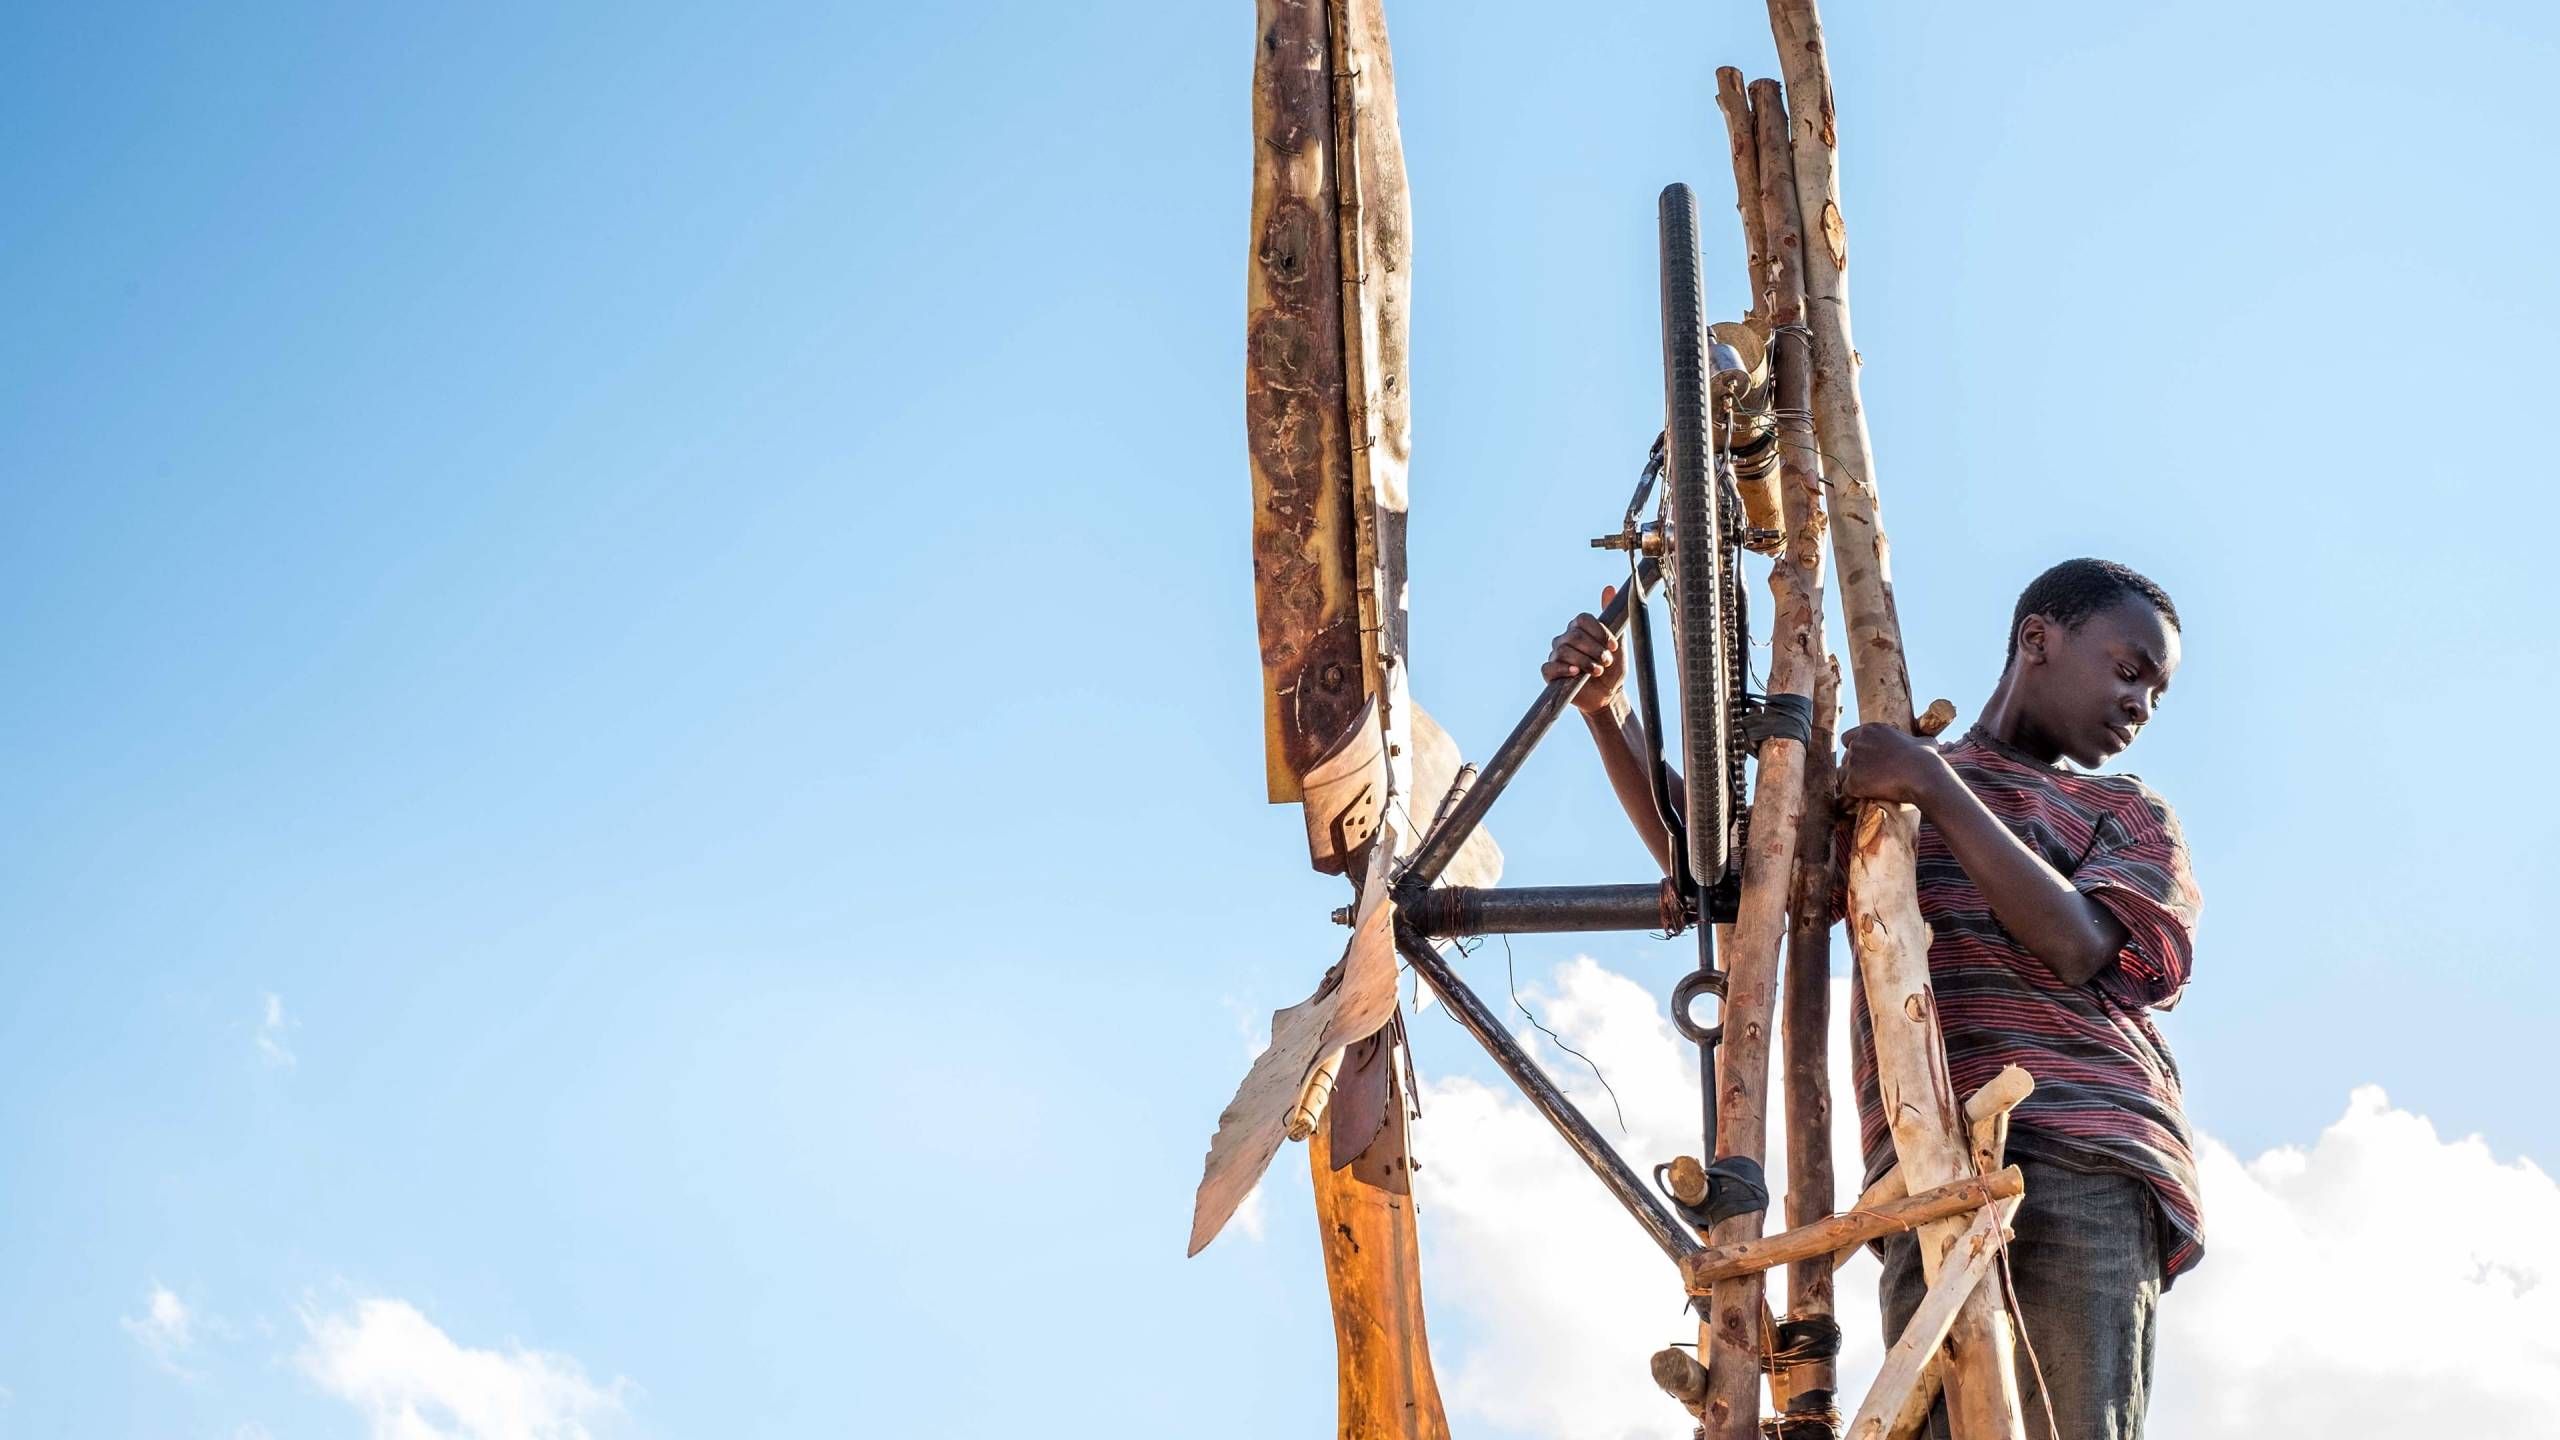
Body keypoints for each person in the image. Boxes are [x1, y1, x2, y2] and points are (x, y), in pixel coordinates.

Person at [1545, 558, 2201, 1440]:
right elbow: (1734, 873)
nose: (2140, 707)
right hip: (1919, 1165)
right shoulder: (1882, 795)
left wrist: (1932, 782)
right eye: (2130, 671)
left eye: (2156, 694)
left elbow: (2081, 946)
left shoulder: (2122, 810)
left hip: (2080, 1155)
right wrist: (1608, 713)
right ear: (2037, 639)